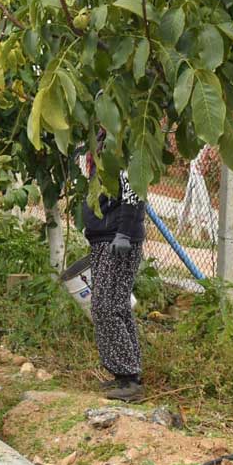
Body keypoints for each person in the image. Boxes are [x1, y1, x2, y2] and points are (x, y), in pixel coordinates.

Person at [81, 141, 149, 402]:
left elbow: (134, 194)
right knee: (116, 305)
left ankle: (129, 377)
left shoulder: (125, 151)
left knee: (105, 306)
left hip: (117, 240)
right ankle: (127, 376)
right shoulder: (101, 150)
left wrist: (124, 233)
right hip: (105, 238)